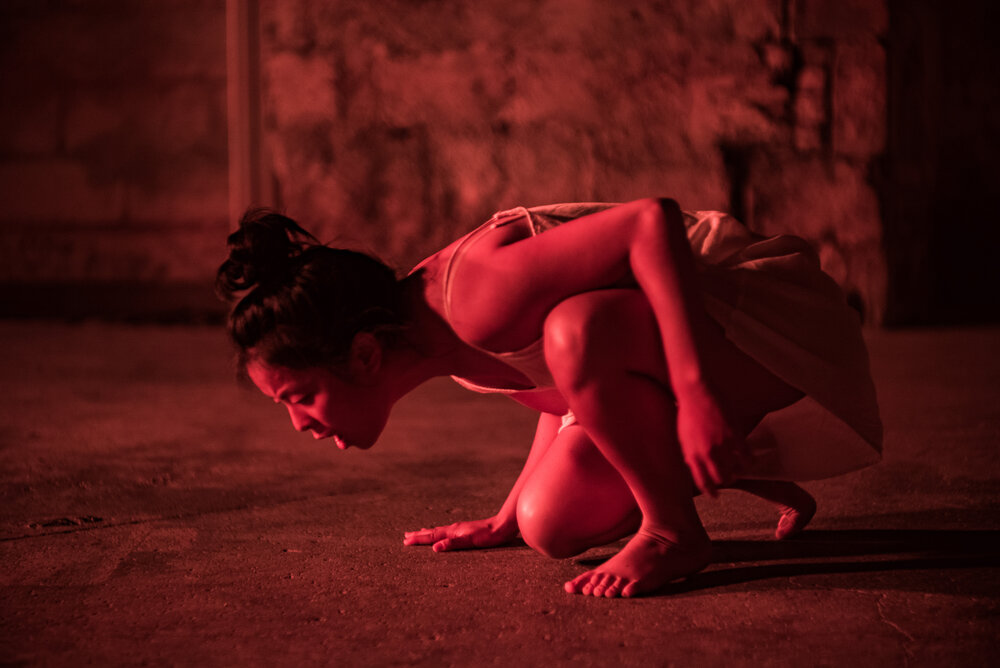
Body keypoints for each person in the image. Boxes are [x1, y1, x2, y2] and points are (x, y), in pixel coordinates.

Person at [216, 198, 882, 598]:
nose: (299, 422)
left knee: (576, 331)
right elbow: (567, 392)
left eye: (298, 396)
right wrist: (505, 520)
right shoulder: (439, 343)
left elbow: (649, 223)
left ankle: (674, 530)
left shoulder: (472, 297)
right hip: (698, 343)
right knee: (550, 524)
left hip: (768, 317)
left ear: (363, 355)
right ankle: (725, 466)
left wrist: (696, 393)